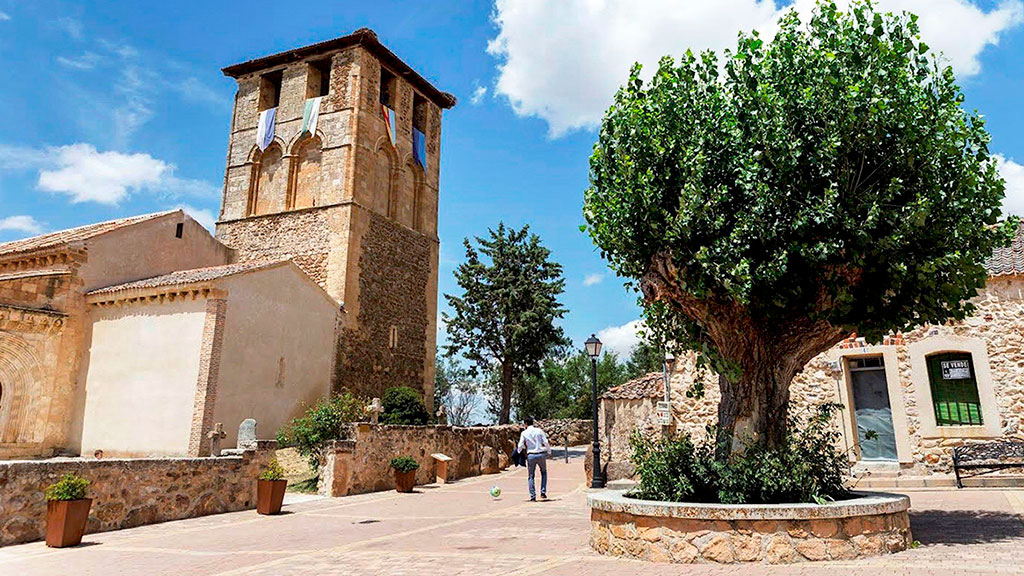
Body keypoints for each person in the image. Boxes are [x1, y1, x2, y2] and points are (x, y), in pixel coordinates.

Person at [517, 417, 551, 501]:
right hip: (541, 454)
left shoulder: (524, 433)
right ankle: (543, 492)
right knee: (543, 472)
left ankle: (533, 496)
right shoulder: (539, 431)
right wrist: (549, 452)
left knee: (531, 476)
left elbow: (520, 445)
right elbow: (545, 442)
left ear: (525, 424)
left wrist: (518, 452)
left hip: (531, 455)